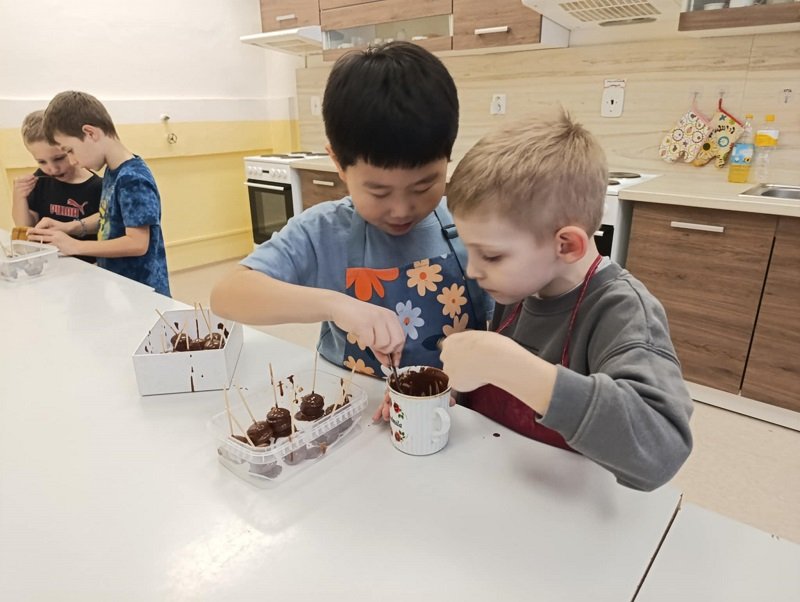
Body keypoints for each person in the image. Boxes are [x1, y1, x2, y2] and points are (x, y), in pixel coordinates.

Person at [439, 109, 693, 491]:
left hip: (568, 505)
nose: (473, 270)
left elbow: (662, 449)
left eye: (490, 255)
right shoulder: (518, 285)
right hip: (499, 484)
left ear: (567, 245)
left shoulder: (622, 311)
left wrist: (504, 363)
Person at [211, 41, 491, 377]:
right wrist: (335, 304)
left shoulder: (470, 222)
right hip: (357, 400)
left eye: (423, 186)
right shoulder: (324, 232)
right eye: (378, 191)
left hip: (460, 404)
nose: (401, 209)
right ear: (338, 164)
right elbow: (227, 295)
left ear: (448, 158)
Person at [29, 91, 170, 296]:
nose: (73, 161)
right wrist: (70, 227)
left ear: (90, 133)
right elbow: (112, 218)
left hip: (143, 292)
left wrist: (75, 246)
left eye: (70, 150)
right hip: (120, 288)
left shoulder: (132, 178)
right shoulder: (114, 171)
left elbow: (138, 243)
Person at [12, 110, 102, 263]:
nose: (52, 169)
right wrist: (19, 197)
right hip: (49, 263)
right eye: (42, 162)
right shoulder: (40, 180)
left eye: (59, 158)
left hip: (86, 266)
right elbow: (26, 227)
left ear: (71, 149)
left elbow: (107, 224)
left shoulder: (97, 186)